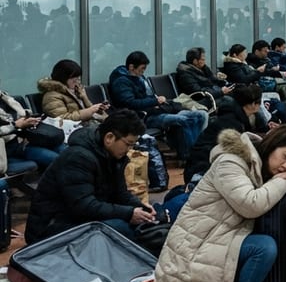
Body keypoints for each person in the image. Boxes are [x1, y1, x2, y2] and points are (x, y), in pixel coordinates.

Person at [155, 126, 286, 282]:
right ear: (272, 145)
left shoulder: (257, 166)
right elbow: (250, 204)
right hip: (193, 250)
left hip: (217, 240)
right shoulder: (230, 163)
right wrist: (283, 181)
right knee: (263, 247)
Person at [25, 109, 153, 243]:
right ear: (109, 138)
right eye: (128, 144)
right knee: (121, 229)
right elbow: (83, 206)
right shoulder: (77, 158)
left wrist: (141, 207)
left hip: (78, 218)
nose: (130, 150)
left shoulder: (113, 155)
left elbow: (120, 194)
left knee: (143, 223)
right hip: (51, 228)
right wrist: (128, 213)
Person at [109, 51, 206, 161]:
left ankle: (192, 151)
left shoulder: (137, 78)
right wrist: (154, 101)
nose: (143, 72)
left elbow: (145, 98)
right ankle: (189, 156)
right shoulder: (121, 83)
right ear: (131, 67)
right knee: (183, 120)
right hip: (143, 117)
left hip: (153, 111)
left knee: (199, 116)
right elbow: (130, 103)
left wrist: (155, 101)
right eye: (141, 69)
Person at [188, 84, 270, 180]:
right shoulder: (233, 123)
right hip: (202, 169)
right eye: (259, 102)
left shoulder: (239, 116)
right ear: (253, 104)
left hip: (206, 164)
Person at [38, 58, 108, 124]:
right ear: (63, 78)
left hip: (86, 125)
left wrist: (86, 99)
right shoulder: (51, 96)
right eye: (74, 79)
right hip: (74, 131)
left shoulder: (76, 90)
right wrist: (90, 111)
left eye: (78, 78)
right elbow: (61, 120)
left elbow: (90, 111)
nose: (77, 81)